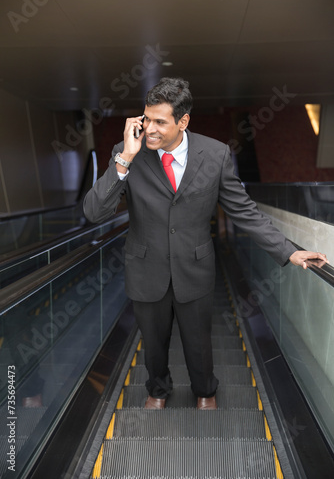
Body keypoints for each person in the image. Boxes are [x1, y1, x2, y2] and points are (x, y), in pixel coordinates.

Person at [83, 77, 328, 410]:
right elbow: (94, 212)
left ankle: (205, 391)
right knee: (153, 344)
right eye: (146, 119)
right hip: (144, 269)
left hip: (194, 269)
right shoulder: (127, 152)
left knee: (198, 342)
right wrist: (125, 157)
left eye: (160, 122)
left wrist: (289, 250)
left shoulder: (215, 154)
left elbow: (244, 212)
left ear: (183, 121)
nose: (149, 128)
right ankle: (157, 390)